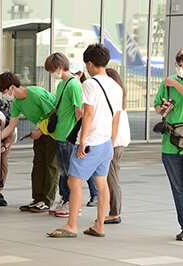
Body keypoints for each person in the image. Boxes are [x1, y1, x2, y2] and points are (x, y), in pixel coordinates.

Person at [48, 43, 122, 238]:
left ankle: (71, 225)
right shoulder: (116, 86)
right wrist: (111, 144)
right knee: (102, 183)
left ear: (89, 63)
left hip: (90, 142)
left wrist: (82, 142)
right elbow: (116, 118)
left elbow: (87, 114)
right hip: (106, 142)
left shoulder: (90, 84)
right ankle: (99, 225)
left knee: (74, 181)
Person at [0, 72, 58, 213]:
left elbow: (53, 115)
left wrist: (40, 131)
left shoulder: (35, 94)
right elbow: (11, 126)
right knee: (38, 165)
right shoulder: (17, 102)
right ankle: (37, 199)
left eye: (4, 91)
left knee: (51, 166)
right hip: (40, 131)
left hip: (53, 132)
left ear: (12, 87)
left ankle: (46, 201)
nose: (3, 95)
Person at [44, 54, 84, 218]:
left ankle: (71, 202)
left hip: (68, 135)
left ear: (60, 68)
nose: (52, 74)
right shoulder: (62, 84)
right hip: (59, 134)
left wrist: (79, 135)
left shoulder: (73, 85)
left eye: (52, 70)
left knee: (69, 171)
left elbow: (79, 111)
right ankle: (64, 199)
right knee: (62, 171)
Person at [154, 47, 183, 241]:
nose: (181, 62)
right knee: (178, 188)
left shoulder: (171, 81)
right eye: (179, 58)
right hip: (171, 143)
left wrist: (175, 82)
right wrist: (162, 108)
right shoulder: (168, 82)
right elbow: (157, 107)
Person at [104, 68, 131, 224]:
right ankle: (114, 211)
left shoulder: (113, 99)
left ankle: (115, 213)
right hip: (118, 143)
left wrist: (110, 145)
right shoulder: (120, 97)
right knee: (112, 177)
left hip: (113, 143)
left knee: (112, 178)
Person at [70, 61, 99, 208]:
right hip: (79, 133)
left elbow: (84, 113)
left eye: (74, 73)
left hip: (85, 134)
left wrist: (82, 138)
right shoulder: (72, 85)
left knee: (83, 169)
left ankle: (95, 195)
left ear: (81, 74)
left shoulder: (86, 87)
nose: (72, 76)